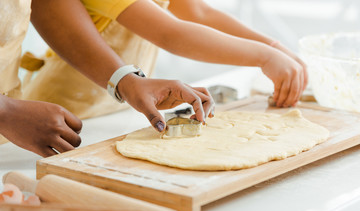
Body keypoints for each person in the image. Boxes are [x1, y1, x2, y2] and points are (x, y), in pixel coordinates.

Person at [25, 0, 307, 121]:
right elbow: (170, 34)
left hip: (123, 104)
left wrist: (273, 46)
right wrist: (264, 56)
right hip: (67, 110)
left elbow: (200, 14)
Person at [0, 0, 214, 157]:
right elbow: (171, 33)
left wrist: (127, 82)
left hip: (12, 140)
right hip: (20, 119)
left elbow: (53, 12)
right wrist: (5, 111)